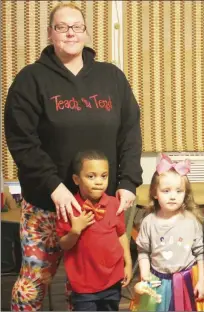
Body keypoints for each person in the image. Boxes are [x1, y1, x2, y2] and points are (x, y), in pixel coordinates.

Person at [4, 3, 142, 310]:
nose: (70, 33)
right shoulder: (30, 80)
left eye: (76, 26)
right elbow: (21, 141)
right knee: (32, 285)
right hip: (46, 207)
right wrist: (55, 187)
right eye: (62, 27)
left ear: (86, 31)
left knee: (85, 292)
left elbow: (130, 134)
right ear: (50, 33)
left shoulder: (112, 78)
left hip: (97, 208)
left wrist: (129, 182)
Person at [56, 150, 132, 311]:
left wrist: (128, 262)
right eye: (91, 176)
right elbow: (64, 245)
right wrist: (75, 230)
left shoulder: (114, 204)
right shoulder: (68, 208)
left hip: (113, 280)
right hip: (84, 286)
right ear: (76, 179)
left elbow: (121, 235)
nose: (99, 182)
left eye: (103, 176)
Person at [130, 154, 204, 312]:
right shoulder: (148, 222)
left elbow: (201, 253)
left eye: (179, 191)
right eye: (166, 191)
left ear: (185, 194)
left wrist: (201, 282)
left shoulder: (191, 221)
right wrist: (145, 277)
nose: (173, 196)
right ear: (155, 193)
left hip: (187, 281)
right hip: (158, 282)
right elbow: (143, 251)